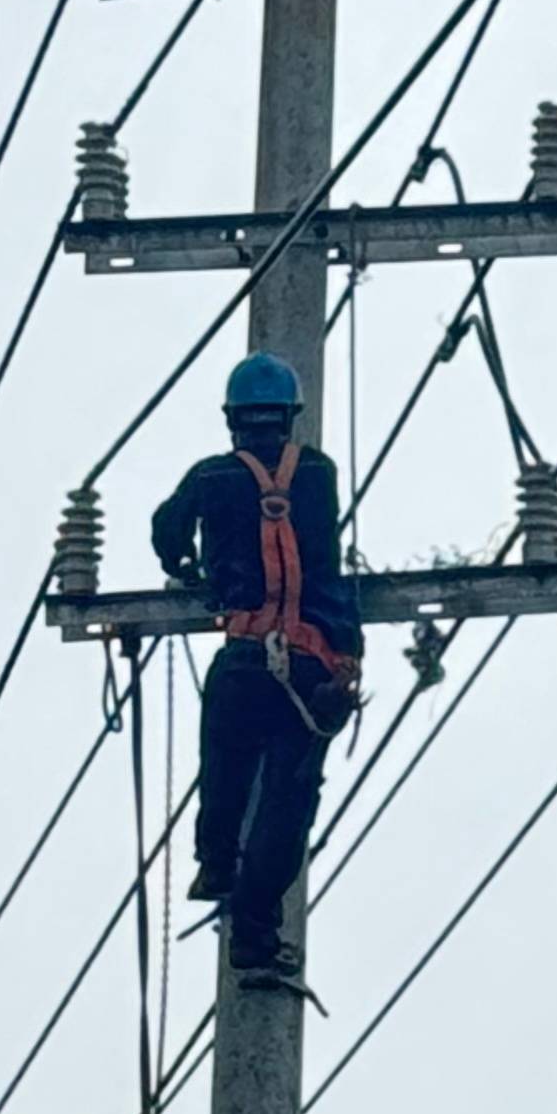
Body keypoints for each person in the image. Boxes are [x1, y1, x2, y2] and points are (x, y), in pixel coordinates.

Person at [151, 352, 363, 991]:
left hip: (244, 658)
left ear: (232, 420)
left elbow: (166, 530)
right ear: (291, 418)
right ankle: (255, 934)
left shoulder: (212, 475)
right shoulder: (318, 473)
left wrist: (188, 568)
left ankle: (214, 864)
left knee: (224, 767)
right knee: (285, 807)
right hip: (309, 667)